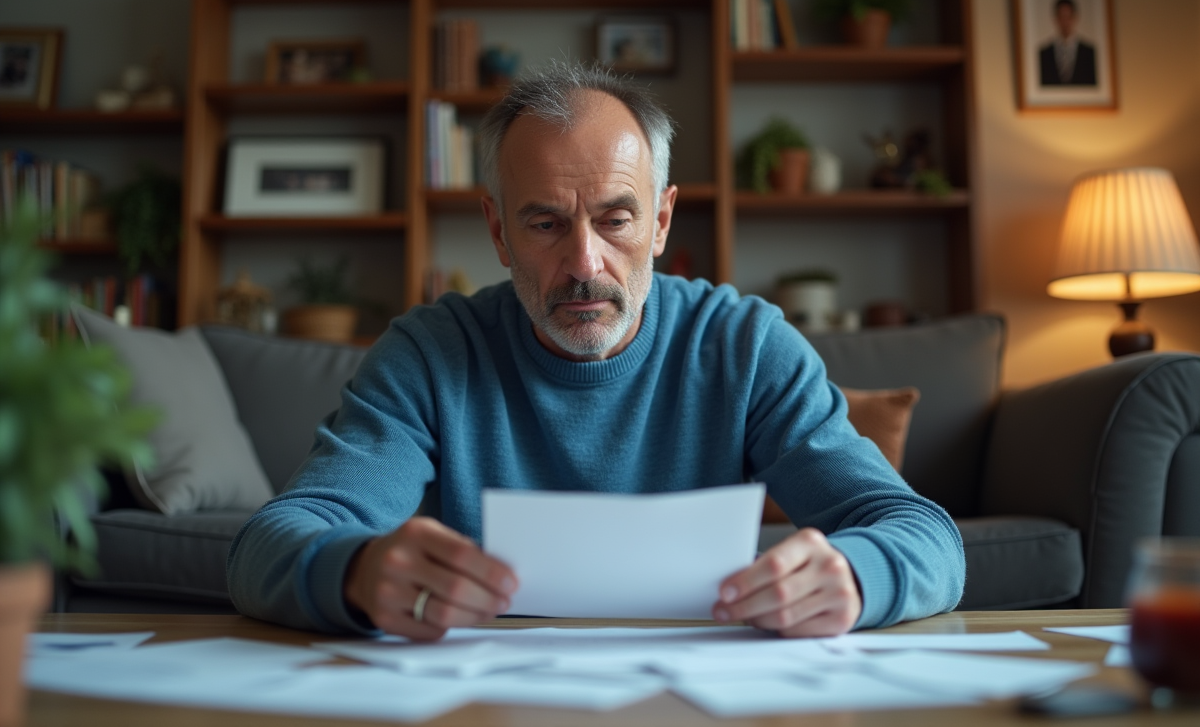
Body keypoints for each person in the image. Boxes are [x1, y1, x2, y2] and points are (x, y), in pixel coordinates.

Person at [227, 61, 965, 640]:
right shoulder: (430, 352)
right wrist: (354, 571)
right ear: (497, 231)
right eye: (545, 225)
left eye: (616, 219)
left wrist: (857, 577)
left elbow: (925, 536)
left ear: (663, 221)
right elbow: (268, 545)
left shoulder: (744, 345)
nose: (585, 264)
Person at [1038, 0, 1097, 86]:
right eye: (1062, 16)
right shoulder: (1044, 54)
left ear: (1075, 17)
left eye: (1068, 16)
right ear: (1056, 19)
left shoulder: (1089, 52)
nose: (1065, 21)